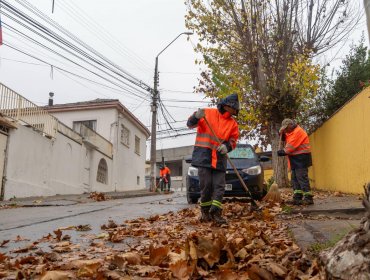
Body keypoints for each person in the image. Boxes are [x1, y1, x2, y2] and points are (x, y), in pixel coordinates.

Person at [187, 93, 240, 225]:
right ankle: (205, 212)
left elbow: (233, 140)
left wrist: (227, 147)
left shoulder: (233, 124)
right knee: (206, 186)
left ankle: (215, 212)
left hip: (220, 157)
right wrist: (195, 117)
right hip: (204, 155)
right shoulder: (207, 113)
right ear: (228, 106)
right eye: (234, 109)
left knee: (219, 186)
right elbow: (190, 124)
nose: (235, 112)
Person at [277, 118, 313, 205]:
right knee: (295, 179)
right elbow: (285, 138)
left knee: (301, 178)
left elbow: (291, 146)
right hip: (295, 159)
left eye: (286, 128)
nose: (286, 130)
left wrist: (283, 152)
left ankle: (308, 198)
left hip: (301, 158)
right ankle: (297, 197)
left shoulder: (298, 132)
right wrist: (281, 133)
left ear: (291, 125)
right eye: (284, 129)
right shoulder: (291, 132)